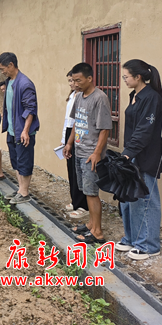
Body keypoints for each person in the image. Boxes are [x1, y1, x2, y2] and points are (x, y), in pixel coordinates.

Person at [115, 60, 162, 260]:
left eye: (126, 76)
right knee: (128, 198)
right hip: (132, 154)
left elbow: (145, 131)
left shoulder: (152, 98)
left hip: (146, 155)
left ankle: (149, 245)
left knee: (146, 199)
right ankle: (132, 238)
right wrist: (127, 154)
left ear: (138, 76)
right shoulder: (134, 95)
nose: (124, 80)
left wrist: (128, 153)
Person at [63, 62, 111, 244]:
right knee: (85, 190)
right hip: (79, 149)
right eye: (73, 80)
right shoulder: (78, 97)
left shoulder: (100, 98)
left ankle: (97, 232)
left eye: (79, 80)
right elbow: (77, 122)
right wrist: (69, 143)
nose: (75, 84)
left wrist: (97, 153)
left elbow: (105, 129)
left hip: (91, 153)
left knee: (91, 193)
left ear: (90, 78)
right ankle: (91, 224)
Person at [0, 52, 40, 205]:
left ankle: (24, 193)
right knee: (16, 160)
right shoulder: (9, 82)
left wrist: (25, 130)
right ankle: (20, 189)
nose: (2, 72)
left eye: (3, 69)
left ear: (11, 65)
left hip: (22, 131)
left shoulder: (25, 84)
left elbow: (30, 109)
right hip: (12, 130)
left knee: (24, 161)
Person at [62, 70, 88, 218]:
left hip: (78, 133)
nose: (72, 84)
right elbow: (67, 120)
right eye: (70, 81)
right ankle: (75, 200)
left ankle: (82, 204)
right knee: (71, 169)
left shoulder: (83, 97)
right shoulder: (72, 96)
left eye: (74, 80)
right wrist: (64, 140)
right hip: (70, 132)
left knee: (79, 170)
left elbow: (78, 121)